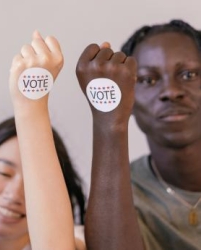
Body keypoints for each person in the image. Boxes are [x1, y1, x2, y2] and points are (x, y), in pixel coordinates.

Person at [80, 19, 201, 250]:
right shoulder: (121, 195)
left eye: (188, 75)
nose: (171, 92)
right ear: (130, 99)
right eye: (148, 80)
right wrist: (109, 119)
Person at [0, 31, 85, 250]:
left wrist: (31, 105)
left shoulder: (77, 239)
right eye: (4, 173)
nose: (14, 194)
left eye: (32, 183)